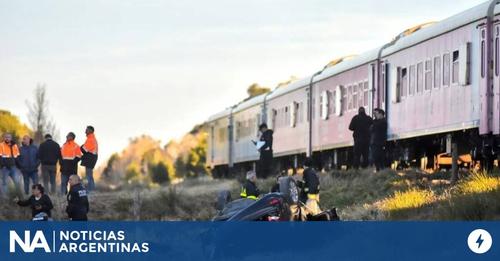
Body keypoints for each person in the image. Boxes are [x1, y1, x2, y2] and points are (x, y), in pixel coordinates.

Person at [80, 126, 98, 191]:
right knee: (90, 175)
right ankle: (92, 190)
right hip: (92, 157)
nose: (85, 131)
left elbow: (84, 150)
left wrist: (81, 146)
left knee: (88, 175)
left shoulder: (90, 139)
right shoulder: (92, 138)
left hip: (90, 158)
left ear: (90, 131)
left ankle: (90, 190)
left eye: (86, 130)